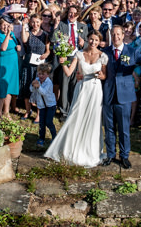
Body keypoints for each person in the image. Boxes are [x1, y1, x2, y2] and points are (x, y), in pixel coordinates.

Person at [45, 32, 108, 167]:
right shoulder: (79, 54)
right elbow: (69, 72)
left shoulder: (103, 56)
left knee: (93, 119)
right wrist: (63, 63)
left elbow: (104, 76)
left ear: (99, 41)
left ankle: (90, 150)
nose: (93, 42)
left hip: (95, 89)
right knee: (76, 116)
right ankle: (70, 148)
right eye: (91, 39)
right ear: (87, 39)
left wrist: (100, 75)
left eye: (96, 40)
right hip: (82, 88)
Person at [102, 24, 138, 168]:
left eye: (118, 34)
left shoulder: (132, 51)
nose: (115, 37)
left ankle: (124, 156)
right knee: (109, 127)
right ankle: (110, 154)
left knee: (124, 128)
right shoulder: (105, 52)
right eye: (113, 34)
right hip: (109, 94)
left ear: (123, 35)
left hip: (124, 94)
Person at [21, 14, 50, 118]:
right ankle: (27, 111)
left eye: (37, 22)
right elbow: (24, 40)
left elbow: (48, 51)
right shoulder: (28, 33)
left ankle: (38, 114)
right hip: (28, 63)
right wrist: (23, 26)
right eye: (33, 22)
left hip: (40, 65)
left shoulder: (45, 35)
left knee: (39, 88)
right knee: (26, 86)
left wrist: (45, 55)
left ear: (41, 21)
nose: (35, 24)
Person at [0, 17, 21, 120]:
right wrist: (8, 33)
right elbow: (3, 48)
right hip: (4, 63)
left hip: (13, 63)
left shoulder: (12, 34)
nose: (5, 27)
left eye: (7, 25)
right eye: (3, 25)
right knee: (2, 89)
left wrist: (18, 47)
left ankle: (6, 112)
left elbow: (15, 44)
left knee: (10, 88)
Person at [30, 63, 58, 148]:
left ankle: (54, 137)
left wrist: (38, 86)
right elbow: (31, 90)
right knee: (41, 123)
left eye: (43, 74)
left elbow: (44, 92)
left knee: (48, 122)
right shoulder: (37, 80)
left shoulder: (48, 82)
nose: (41, 76)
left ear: (48, 74)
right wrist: (33, 85)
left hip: (50, 105)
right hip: (42, 105)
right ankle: (41, 138)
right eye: (39, 74)